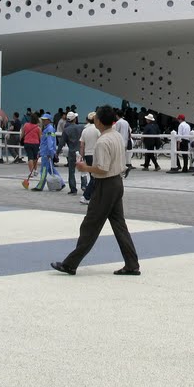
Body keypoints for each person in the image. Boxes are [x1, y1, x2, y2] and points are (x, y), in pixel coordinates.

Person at [51, 105, 140, 276]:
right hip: (117, 183)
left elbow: (102, 168)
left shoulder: (103, 141)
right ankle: (132, 264)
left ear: (98, 120)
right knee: (119, 225)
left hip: (105, 185)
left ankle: (70, 264)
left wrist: (85, 168)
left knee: (90, 225)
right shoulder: (116, 137)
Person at [79, 111, 101, 203]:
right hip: (95, 155)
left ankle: (92, 196)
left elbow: (82, 145)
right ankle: (86, 196)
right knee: (95, 177)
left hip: (87, 155)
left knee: (93, 176)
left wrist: (81, 156)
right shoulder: (98, 129)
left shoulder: (85, 130)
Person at [61, 112, 83, 194]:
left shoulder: (66, 130)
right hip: (80, 151)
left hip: (72, 151)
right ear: (75, 119)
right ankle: (84, 185)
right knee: (83, 170)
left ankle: (73, 189)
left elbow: (61, 143)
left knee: (71, 171)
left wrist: (56, 152)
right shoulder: (81, 127)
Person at [21, 112, 42, 180]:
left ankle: (31, 172)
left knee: (30, 157)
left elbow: (22, 134)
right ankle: (35, 170)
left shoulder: (26, 125)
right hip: (36, 143)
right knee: (35, 157)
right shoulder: (38, 128)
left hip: (27, 142)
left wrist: (21, 140)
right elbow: (40, 137)